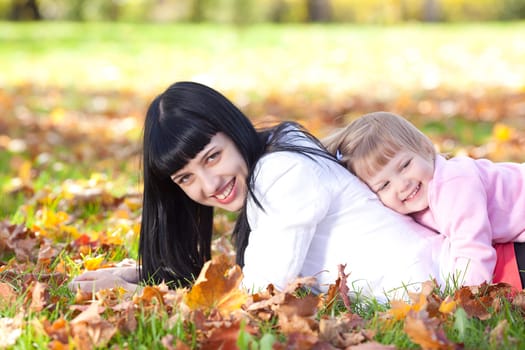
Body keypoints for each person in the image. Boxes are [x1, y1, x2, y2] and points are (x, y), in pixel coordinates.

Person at [68, 82, 514, 303]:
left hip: (480, 275)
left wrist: (141, 295)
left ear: (232, 130)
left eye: (211, 157)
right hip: (462, 266)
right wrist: (149, 273)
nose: (208, 185)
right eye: (185, 178)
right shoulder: (278, 154)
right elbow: (254, 264)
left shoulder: (281, 175)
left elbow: (261, 292)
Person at [322, 111, 525, 288]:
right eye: (384, 185)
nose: (402, 185)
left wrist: (467, 302)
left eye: (404, 165)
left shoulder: (454, 185)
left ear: (424, 147)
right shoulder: (419, 198)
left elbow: (473, 249)